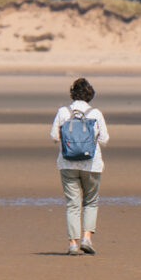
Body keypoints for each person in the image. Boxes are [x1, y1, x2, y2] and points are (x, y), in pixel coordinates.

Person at [49, 77, 110, 255]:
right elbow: (104, 139)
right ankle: (86, 238)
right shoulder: (96, 113)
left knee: (72, 205)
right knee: (91, 202)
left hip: (67, 163)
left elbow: (54, 136)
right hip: (92, 164)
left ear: (72, 94)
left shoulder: (63, 111)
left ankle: (73, 244)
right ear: (90, 95)